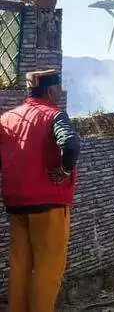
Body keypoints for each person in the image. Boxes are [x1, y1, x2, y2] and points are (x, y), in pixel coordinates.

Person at [0, 69, 80, 312]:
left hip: (16, 203)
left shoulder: (7, 118)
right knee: (47, 270)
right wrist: (64, 171)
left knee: (20, 266)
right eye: (59, 88)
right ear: (51, 90)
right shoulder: (54, 115)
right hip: (49, 205)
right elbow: (71, 144)